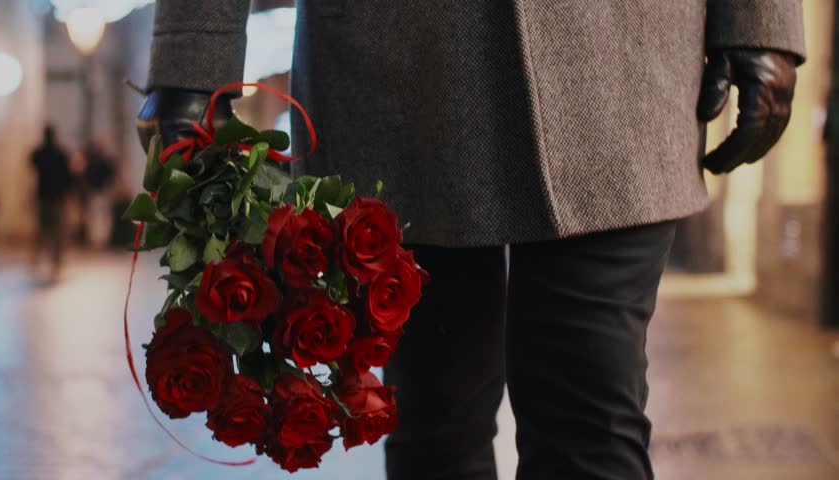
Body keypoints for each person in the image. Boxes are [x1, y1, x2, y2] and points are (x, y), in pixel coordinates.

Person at [137, 2, 804, 479]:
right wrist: (192, 53)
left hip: (622, 61)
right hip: (396, 68)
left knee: (592, 424)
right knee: (435, 429)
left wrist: (761, 16)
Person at [31, 125, 73, 282]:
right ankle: (55, 261)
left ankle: (39, 258)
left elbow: (32, 162)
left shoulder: (39, 154)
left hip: (44, 196)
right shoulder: (60, 155)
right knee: (56, 231)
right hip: (56, 198)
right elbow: (68, 177)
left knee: (43, 230)